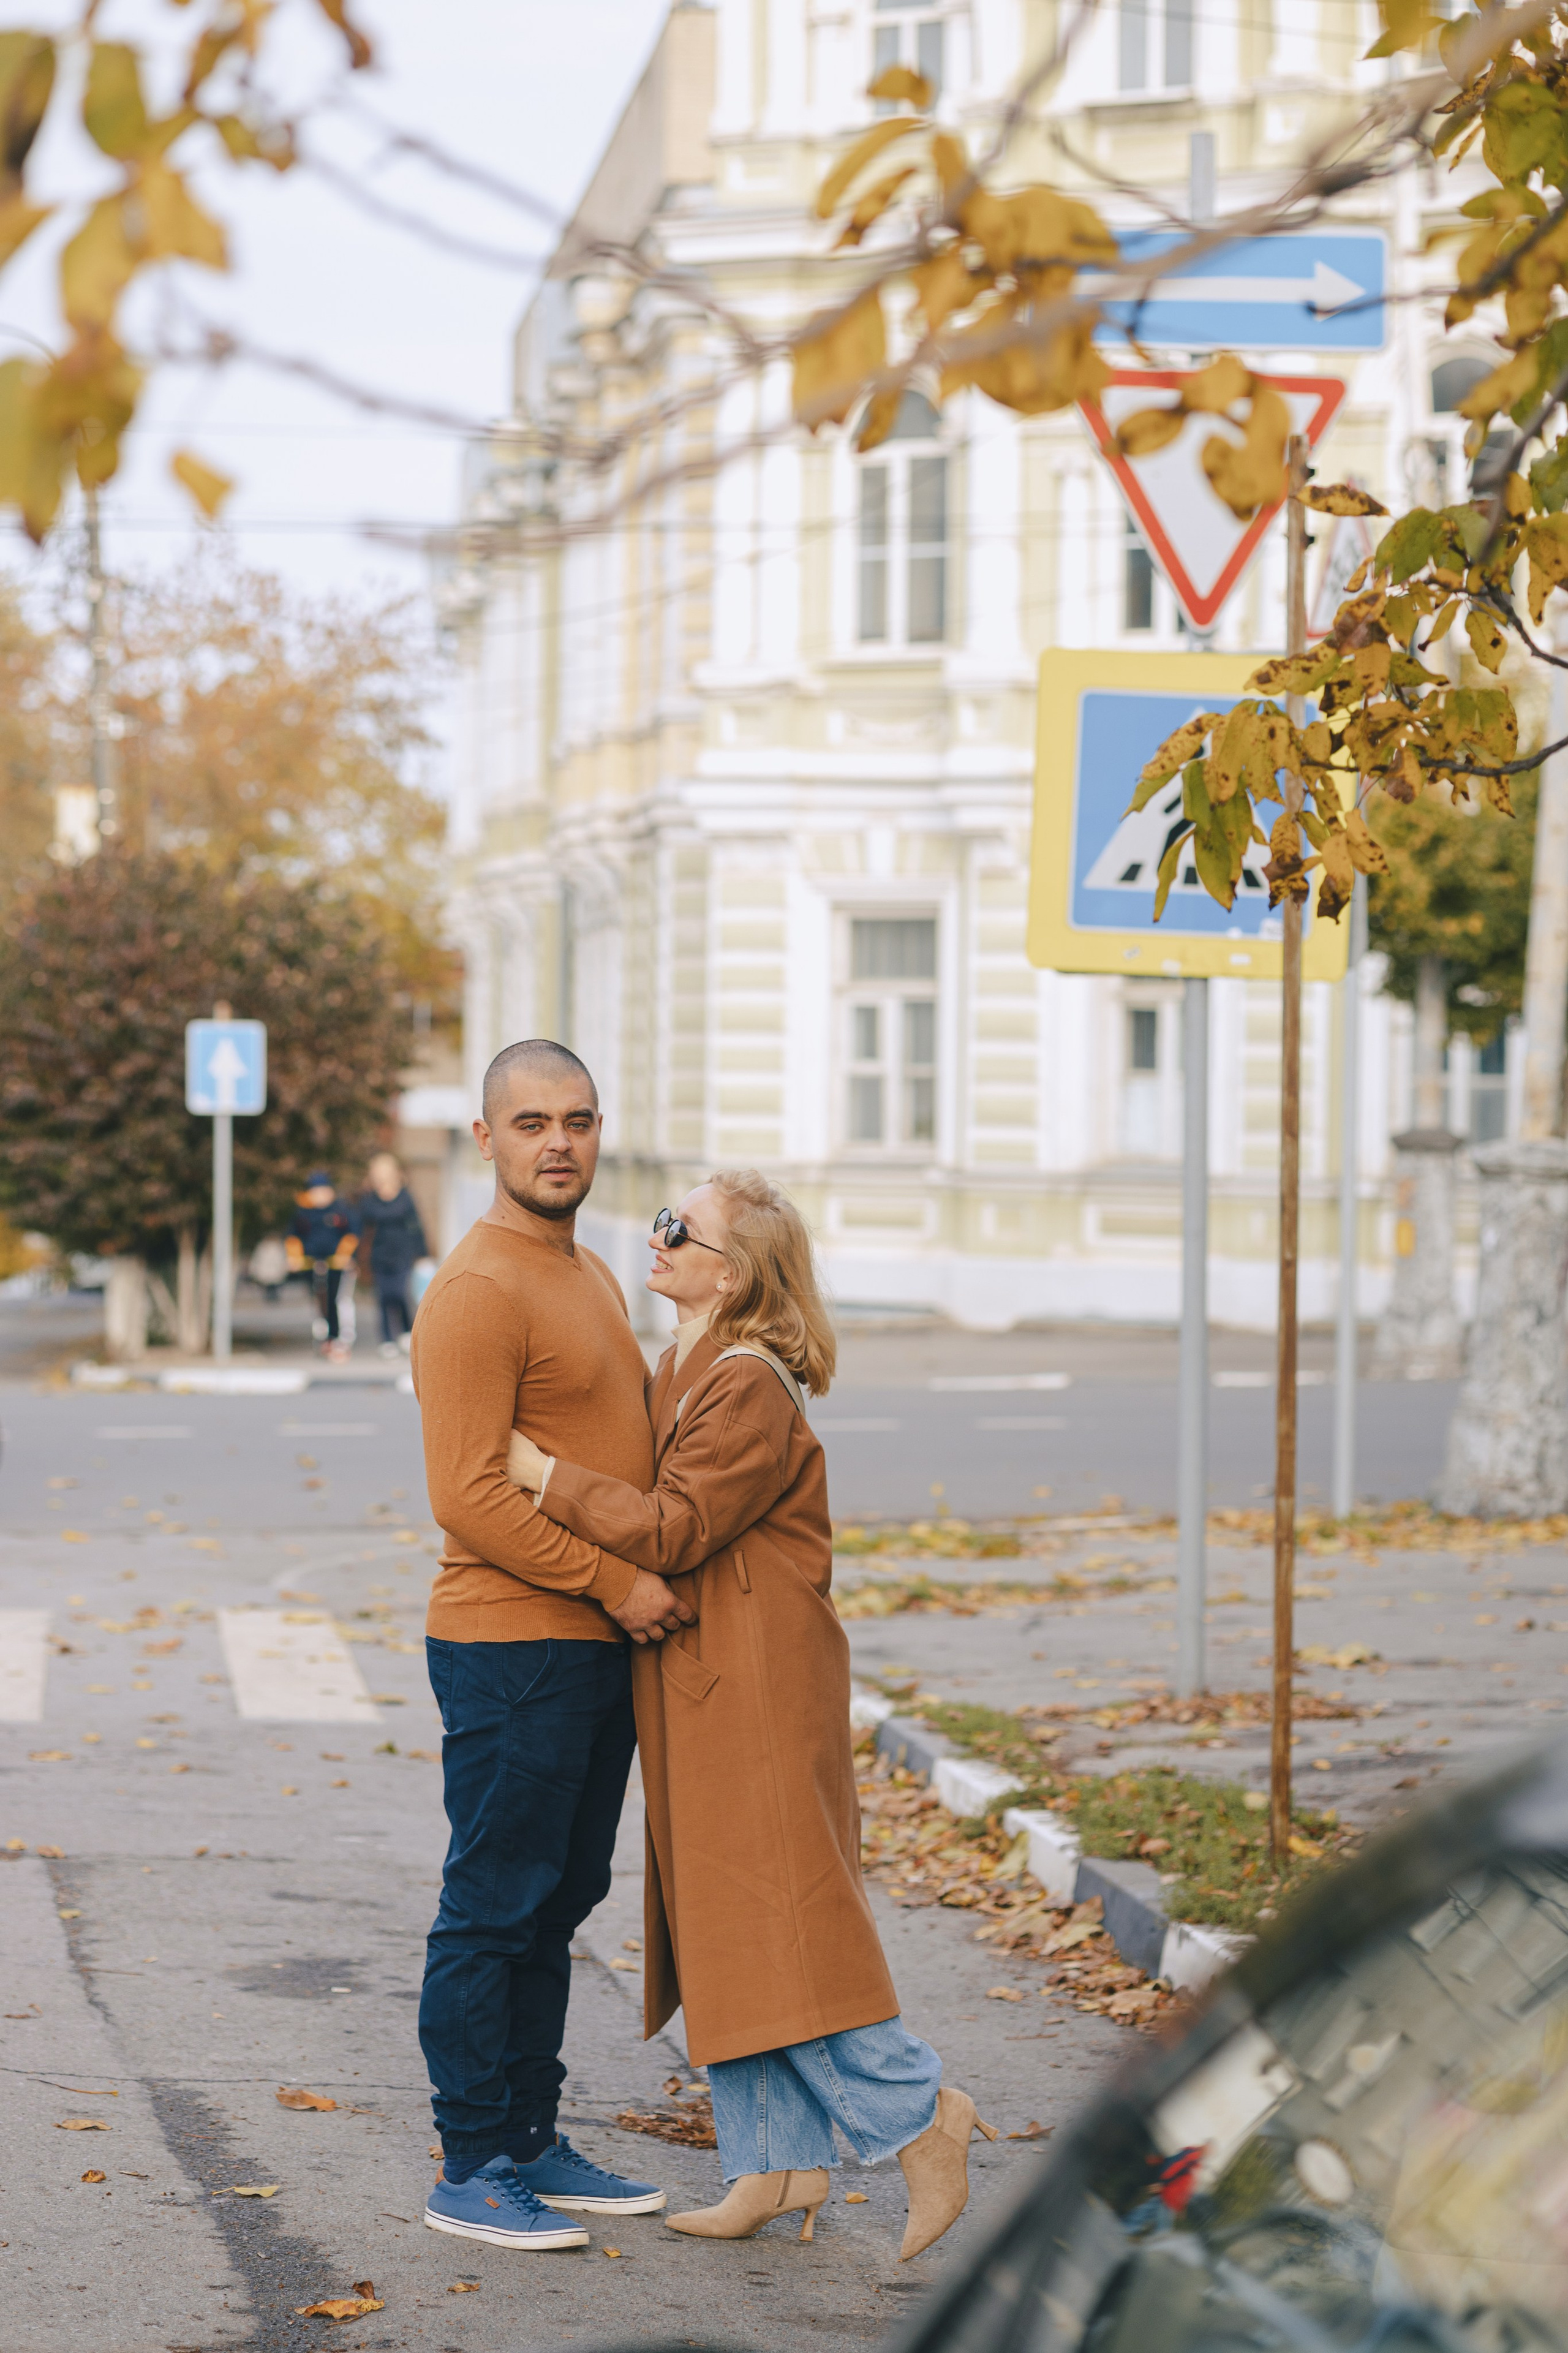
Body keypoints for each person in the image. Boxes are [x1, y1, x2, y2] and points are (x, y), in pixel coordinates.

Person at [508, 1171, 994, 2258]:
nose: (658, 1236)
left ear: (731, 1275)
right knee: (729, 1925)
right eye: (662, 1220)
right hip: (707, 1676)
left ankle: (922, 2116)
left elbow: (673, 1527)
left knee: (783, 1923)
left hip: (758, 1686)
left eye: (680, 1229)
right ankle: (772, 2163)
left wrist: (541, 1474)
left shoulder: (747, 1384)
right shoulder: (684, 1363)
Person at [411, 1038, 699, 2255]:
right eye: (530, 1123)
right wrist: (616, 1581)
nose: (558, 1143)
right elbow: (470, 1494)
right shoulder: (480, 1287)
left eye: (576, 1120)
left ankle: (529, 2137)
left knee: (557, 1900)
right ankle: (471, 2161)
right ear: (486, 1138)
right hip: (513, 1643)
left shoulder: (580, 1270)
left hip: (587, 1647)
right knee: (493, 1904)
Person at [358, 1152, 429, 1357]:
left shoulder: (405, 1196)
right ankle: (387, 1339)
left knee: (399, 1294)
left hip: (402, 1252)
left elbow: (416, 1224)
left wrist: (422, 1253)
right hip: (379, 1254)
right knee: (383, 1297)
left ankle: (406, 1332)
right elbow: (362, 1228)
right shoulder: (370, 1200)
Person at [286, 1171, 360, 1362]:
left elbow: (351, 1235)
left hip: (336, 1265)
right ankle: (324, 1337)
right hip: (312, 1264)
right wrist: (294, 1258)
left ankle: (339, 1337)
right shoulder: (303, 1213)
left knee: (337, 1300)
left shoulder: (340, 1211)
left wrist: (346, 1256)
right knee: (319, 1301)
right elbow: (293, 1237)